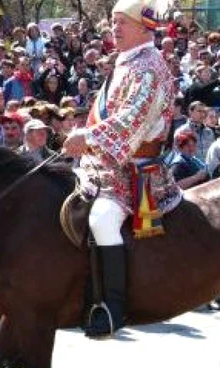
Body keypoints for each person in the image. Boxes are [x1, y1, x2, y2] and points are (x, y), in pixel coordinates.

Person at [62, 0, 181, 338]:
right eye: (113, 21)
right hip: (103, 162)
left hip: (134, 169)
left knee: (101, 219)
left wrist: (87, 136)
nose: (114, 28)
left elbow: (132, 123)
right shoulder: (126, 61)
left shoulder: (149, 67)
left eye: (122, 22)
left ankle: (113, 307)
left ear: (145, 27)